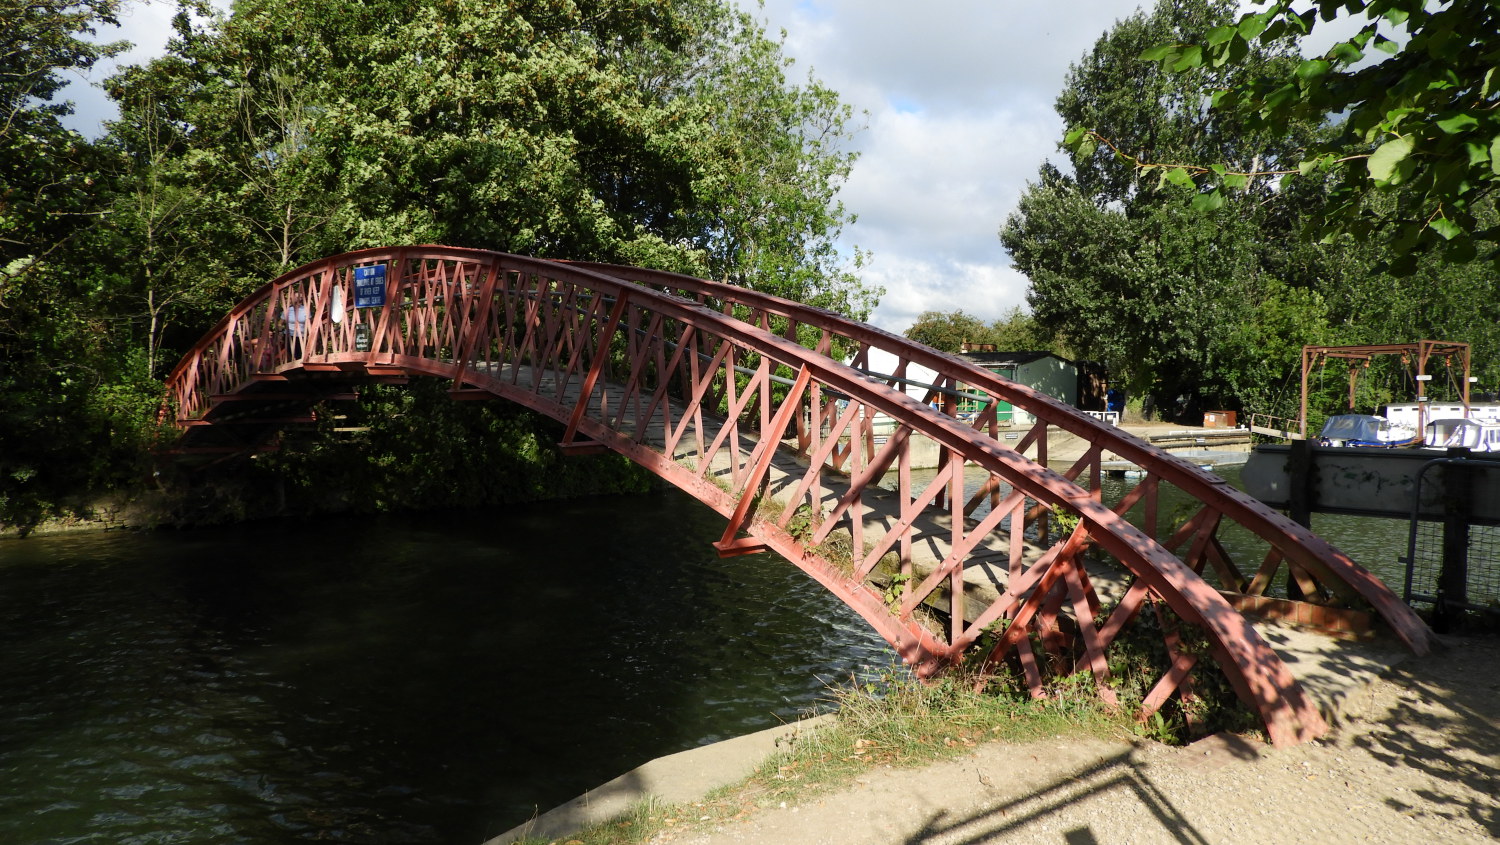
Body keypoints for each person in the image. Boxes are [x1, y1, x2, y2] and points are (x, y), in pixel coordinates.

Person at [282, 290, 309, 359]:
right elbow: (281, 323)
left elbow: (309, 323)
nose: (298, 298)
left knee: (301, 356)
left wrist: (310, 334)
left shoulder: (305, 309)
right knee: (292, 356)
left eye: (300, 297)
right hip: (289, 335)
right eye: (296, 297)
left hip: (302, 336)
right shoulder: (288, 310)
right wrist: (280, 331)